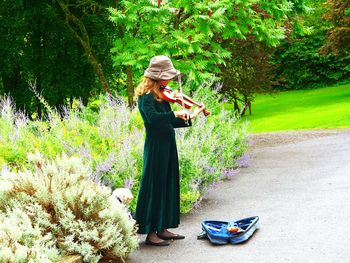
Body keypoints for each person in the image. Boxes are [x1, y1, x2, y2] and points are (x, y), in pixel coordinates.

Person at [134, 55, 205, 246]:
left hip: (167, 145)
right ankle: (150, 233)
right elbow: (153, 119)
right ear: (158, 76)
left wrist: (191, 115)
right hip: (156, 147)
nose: (171, 80)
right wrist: (174, 113)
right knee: (155, 187)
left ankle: (162, 228)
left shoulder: (161, 94)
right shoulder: (146, 96)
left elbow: (169, 121)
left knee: (167, 184)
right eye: (168, 76)